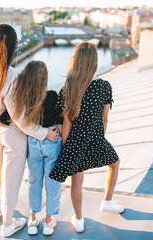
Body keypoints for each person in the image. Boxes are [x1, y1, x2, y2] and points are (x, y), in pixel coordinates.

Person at [0, 24, 59, 237]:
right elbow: (20, 119)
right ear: (13, 47)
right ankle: (7, 224)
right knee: (11, 181)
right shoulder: (11, 75)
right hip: (11, 133)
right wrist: (44, 133)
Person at [49, 42, 124, 233]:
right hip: (96, 137)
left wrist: (67, 147)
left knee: (77, 181)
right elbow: (104, 118)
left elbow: (66, 123)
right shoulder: (104, 86)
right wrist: (100, 139)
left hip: (75, 141)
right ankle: (107, 201)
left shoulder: (69, 87)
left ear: (75, 61)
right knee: (114, 163)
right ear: (94, 63)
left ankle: (79, 219)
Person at [0, 60, 62, 236]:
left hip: (32, 143)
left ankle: (33, 220)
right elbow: (60, 119)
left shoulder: (21, 99)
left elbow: (4, 118)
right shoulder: (51, 96)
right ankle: (48, 222)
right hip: (51, 141)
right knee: (52, 183)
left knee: (34, 182)